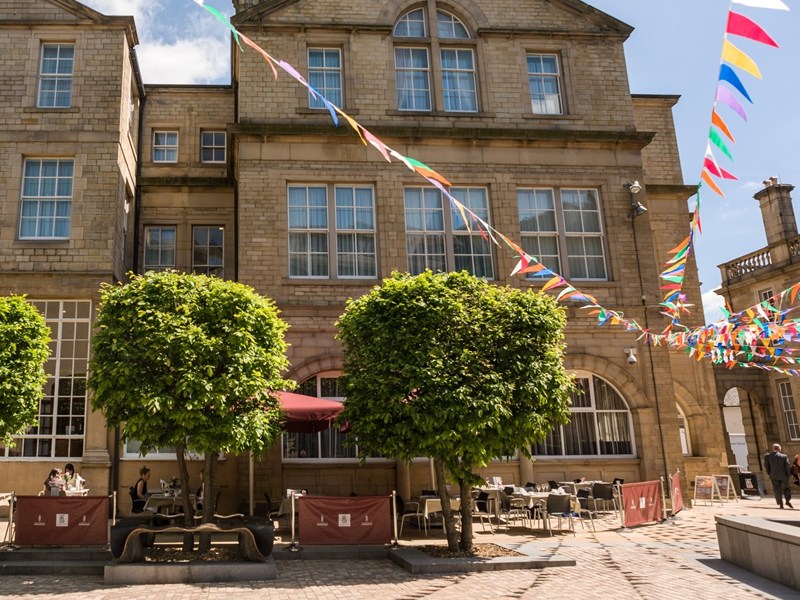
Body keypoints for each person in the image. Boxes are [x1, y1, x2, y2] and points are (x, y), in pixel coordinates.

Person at [764, 443, 793, 509]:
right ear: (779, 448)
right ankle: (787, 501)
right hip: (784, 475)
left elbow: (767, 466)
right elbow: (787, 466)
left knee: (777, 489)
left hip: (773, 475)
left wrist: (769, 473)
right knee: (787, 488)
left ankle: (780, 503)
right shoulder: (784, 456)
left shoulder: (767, 456)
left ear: (773, 448)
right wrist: (789, 474)